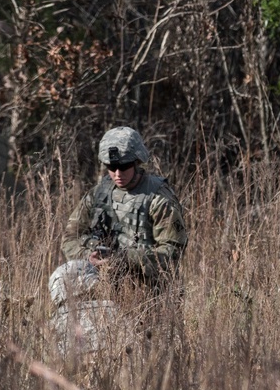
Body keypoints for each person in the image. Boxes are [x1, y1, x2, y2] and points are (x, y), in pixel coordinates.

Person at [50, 126, 187, 353]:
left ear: (137, 162)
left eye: (123, 166)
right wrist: (89, 255)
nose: (117, 173)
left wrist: (125, 259)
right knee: (65, 276)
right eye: (111, 167)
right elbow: (70, 236)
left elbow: (173, 253)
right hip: (104, 287)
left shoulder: (158, 197)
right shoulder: (99, 193)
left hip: (150, 292)